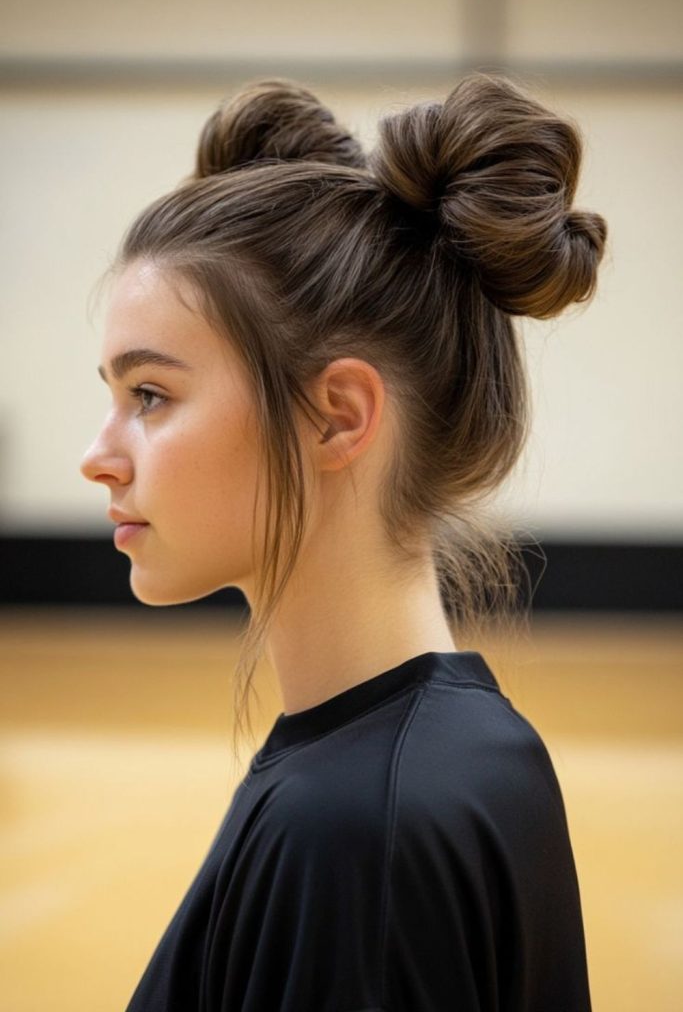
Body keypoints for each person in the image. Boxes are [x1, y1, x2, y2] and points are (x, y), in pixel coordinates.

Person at [80, 72, 607, 1011]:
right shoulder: (465, 755)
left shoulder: (359, 830)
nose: (98, 458)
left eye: (150, 396)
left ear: (337, 416)